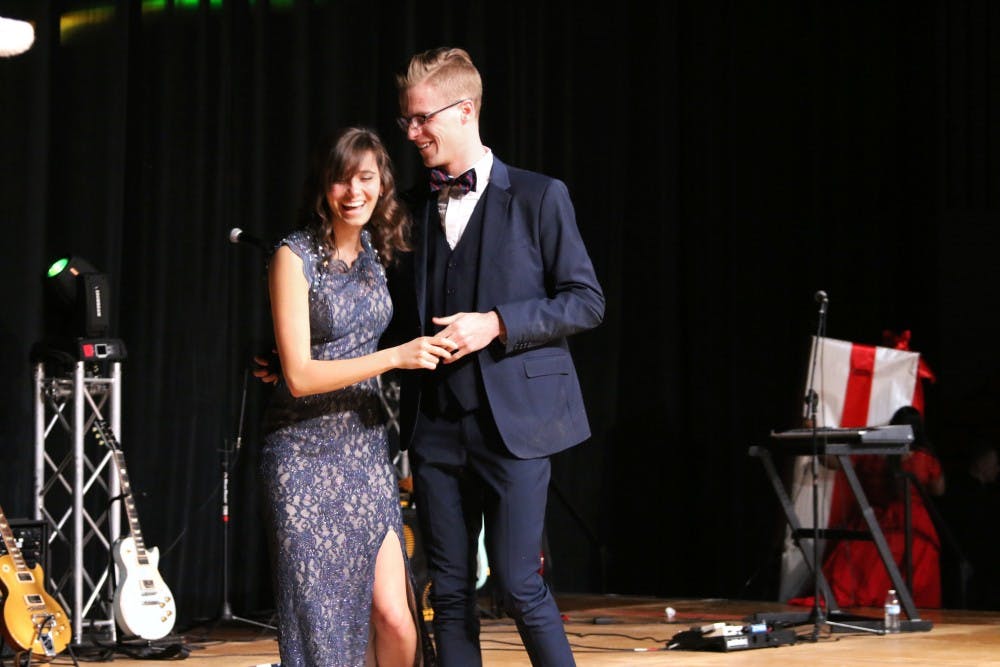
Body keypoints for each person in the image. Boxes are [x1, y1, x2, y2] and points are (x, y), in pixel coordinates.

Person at [387, 47, 605, 666]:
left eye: (422, 118)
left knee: (517, 584)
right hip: (435, 427)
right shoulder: (409, 206)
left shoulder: (539, 197)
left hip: (515, 427)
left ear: (463, 112)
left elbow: (586, 301)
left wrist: (498, 323)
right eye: (407, 119)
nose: (411, 132)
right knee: (449, 593)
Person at [258, 127, 456, 667]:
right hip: (302, 455)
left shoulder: (377, 249)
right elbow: (299, 376)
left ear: (382, 184)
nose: (353, 192)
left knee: (396, 616)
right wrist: (395, 357)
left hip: (365, 450)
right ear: (323, 187)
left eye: (365, 178)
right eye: (341, 180)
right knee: (325, 627)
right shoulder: (292, 257)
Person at [815, 405, 946, 609]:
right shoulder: (924, 459)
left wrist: (816, 441)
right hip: (912, 522)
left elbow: (834, 462)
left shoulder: (873, 453)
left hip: (875, 519)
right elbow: (939, 490)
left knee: (862, 570)